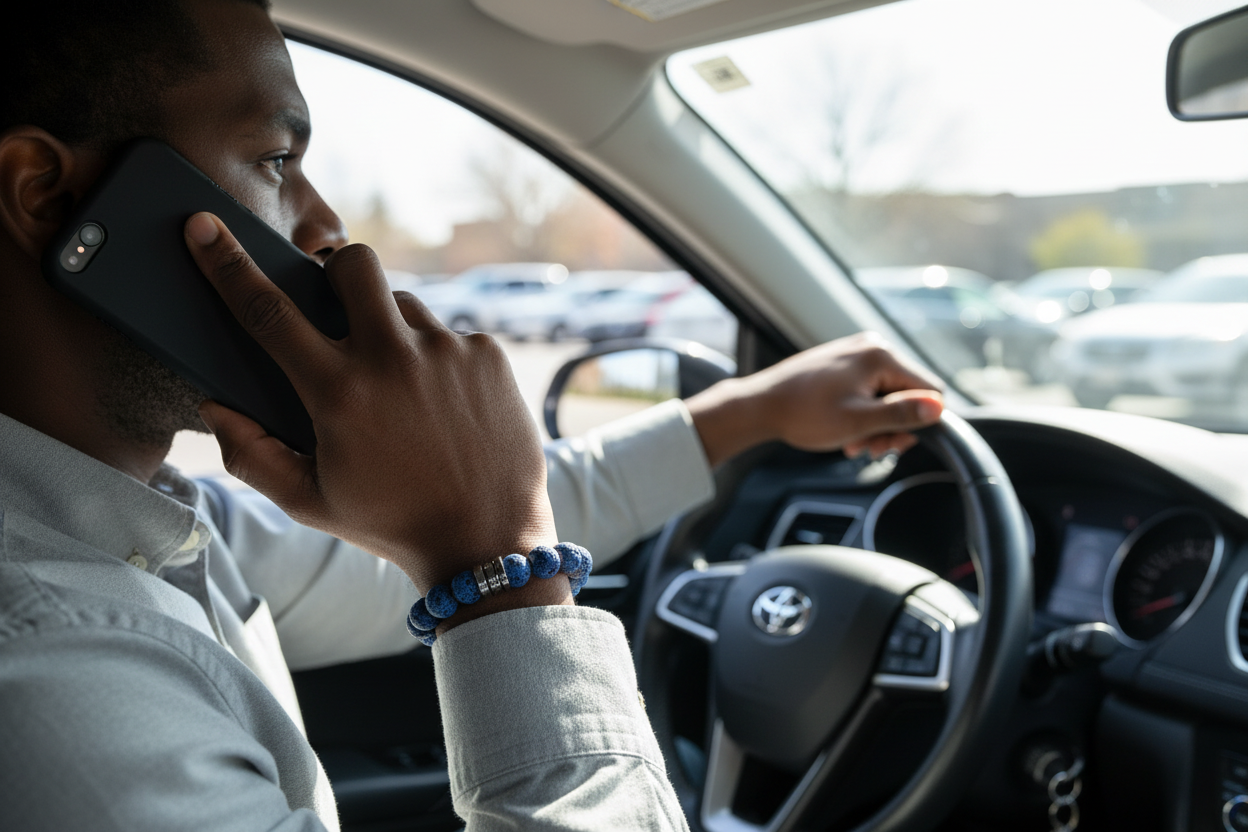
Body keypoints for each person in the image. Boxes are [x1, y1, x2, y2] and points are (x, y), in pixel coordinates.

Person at [0, 1, 944, 829]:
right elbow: (476, 530)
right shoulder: (57, 685)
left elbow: (461, 517)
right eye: (277, 159)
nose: (326, 226)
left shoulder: (148, 525)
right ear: (47, 193)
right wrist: (498, 571)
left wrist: (749, 412)